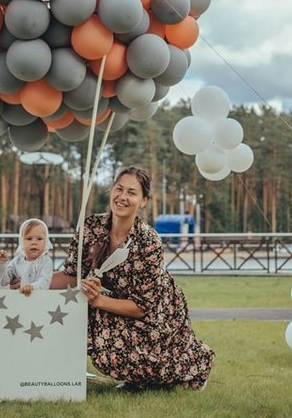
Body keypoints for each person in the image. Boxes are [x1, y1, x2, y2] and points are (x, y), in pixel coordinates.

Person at [50, 166, 214, 391]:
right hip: (119, 302)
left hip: (159, 313)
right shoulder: (91, 227)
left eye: (132, 192)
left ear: (143, 201)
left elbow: (142, 307)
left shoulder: (148, 240)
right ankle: (139, 378)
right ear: (111, 191)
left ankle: (190, 363)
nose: (123, 197)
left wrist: (97, 300)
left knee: (145, 359)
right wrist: (27, 281)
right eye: (119, 189)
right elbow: (71, 275)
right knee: (87, 317)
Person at [0, 217, 52, 295]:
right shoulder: (16, 262)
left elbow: (44, 282)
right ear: (21, 242)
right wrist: (1, 264)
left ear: (46, 242)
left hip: (39, 301)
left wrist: (32, 287)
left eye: (39, 239)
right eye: (29, 238)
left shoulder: (46, 261)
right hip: (18, 302)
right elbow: (3, 281)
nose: (34, 242)